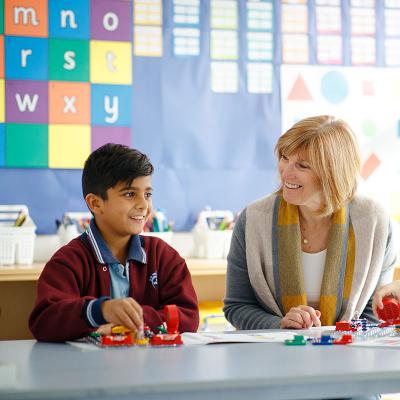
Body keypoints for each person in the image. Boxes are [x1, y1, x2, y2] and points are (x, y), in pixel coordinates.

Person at [224, 115, 397, 330]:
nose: (286, 172)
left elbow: (375, 313)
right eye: (285, 158)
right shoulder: (253, 220)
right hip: (274, 354)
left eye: (302, 166)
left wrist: (333, 343)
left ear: (333, 173)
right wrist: (280, 324)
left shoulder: (375, 223)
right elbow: (237, 306)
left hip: (348, 354)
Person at [29, 143, 199, 342]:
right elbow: (44, 321)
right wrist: (100, 310)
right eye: (129, 194)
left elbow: (188, 316)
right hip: (90, 370)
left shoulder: (164, 256)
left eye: (148, 194)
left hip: (152, 370)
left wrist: (132, 320)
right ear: (95, 203)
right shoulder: (69, 260)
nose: (144, 205)